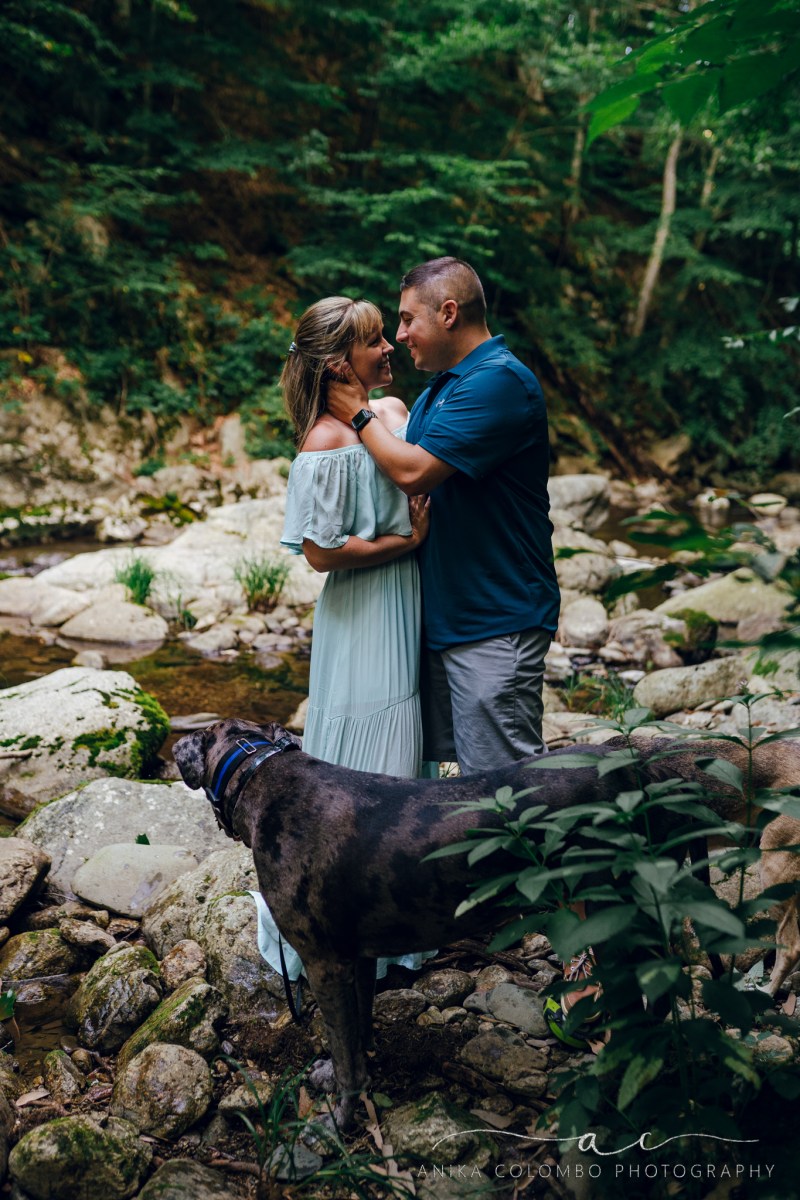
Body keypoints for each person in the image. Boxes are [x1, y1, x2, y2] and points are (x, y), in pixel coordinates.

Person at [250, 295, 435, 984]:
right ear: (337, 364)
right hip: (360, 614)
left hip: (403, 604)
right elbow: (321, 553)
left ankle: (395, 924)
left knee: (401, 758)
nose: (389, 348)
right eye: (374, 341)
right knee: (357, 761)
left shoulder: (391, 413)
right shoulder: (323, 445)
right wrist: (405, 542)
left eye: (388, 336)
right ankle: (331, 923)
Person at [327, 257, 560, 776]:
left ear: (449, 313)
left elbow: (412, 472)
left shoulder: (498, 382)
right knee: (452, 788)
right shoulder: (444, 386)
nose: (400, 335)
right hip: (451, 619)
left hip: (495, 620)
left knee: (505, 790)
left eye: (408, 319)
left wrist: (357, 412)